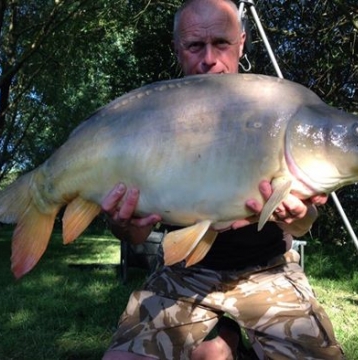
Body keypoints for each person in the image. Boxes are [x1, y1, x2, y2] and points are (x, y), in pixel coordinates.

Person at [102, 0, 344, 359]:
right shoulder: (149, 118)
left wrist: (299, 217)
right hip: (185, 270)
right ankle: (225, 340)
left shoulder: (277, 105)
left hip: (267, 270)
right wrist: (126, 227)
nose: (209, 59)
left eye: (222, 43)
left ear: (242, 43)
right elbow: (134, 234)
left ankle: (224, 338)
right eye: (195, 46)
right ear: (177, 49)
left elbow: (307, 221)